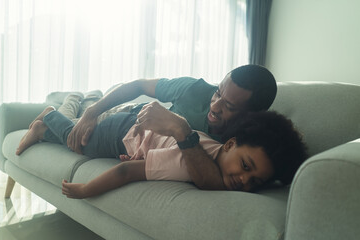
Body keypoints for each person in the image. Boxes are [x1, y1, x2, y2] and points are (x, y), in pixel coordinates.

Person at [16, 105, 307, 198]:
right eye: (245, 166)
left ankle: (44, 130)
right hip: (125, 129)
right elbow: (125, 171)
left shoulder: (214, 157)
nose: (244, 181)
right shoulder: (188, 160)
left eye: (255, 181)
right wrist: (85, 190)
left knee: (79, 143)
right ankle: (50, 119)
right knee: (80, 144)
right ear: (229, 145)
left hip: (138, 132)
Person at [63, 64, 278, 190]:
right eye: (218, 93)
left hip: (139, 136)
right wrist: (92, 113)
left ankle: (88, 100)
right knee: (74, 127)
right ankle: (78, 101)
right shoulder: (193, 90)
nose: (215, 106)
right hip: (128, 117)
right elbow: (139, 85)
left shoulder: (244, 144)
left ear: (251, 116)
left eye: (229, 106)